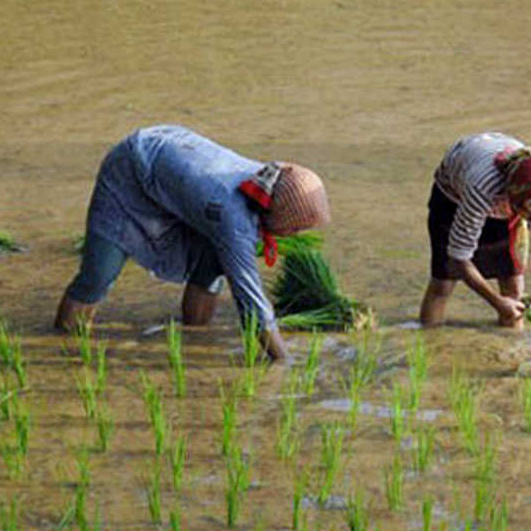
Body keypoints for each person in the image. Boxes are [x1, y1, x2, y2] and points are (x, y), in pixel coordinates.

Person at [54, 125, 330, 361]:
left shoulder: (267, 185)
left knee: (212, 263)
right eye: (295, 226)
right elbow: (251, 301)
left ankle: (194, 336)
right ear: (280, 213)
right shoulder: (232, 217)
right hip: (130, 171)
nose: (295, 234)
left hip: (174, 167)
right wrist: (284, 361)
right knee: (99, 274)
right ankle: (62, 346)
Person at [419, 132, 531, 329]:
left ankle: (510, 352)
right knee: (443, 283)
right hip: (453, 196)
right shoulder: (482, 188)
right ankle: (430, 339)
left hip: (507, 193)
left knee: (513, 286)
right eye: (528, 213)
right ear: (511, 198)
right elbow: (459, 257)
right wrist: (495, 301)